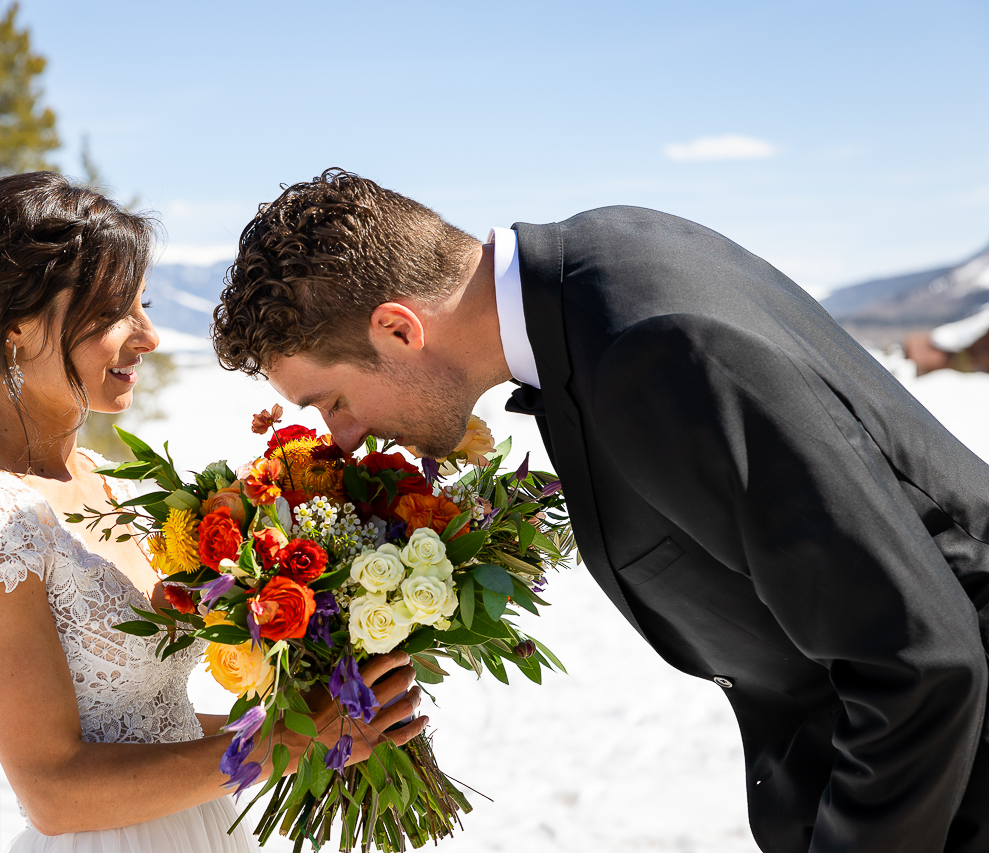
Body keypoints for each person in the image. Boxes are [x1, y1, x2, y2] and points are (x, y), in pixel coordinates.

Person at [210, 169, 989, 853]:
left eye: (333, 400)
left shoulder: (650, 346)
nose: (340, 437)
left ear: (398, 328)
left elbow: (917, 661)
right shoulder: (597, 273)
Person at [0, 171, 426, 853]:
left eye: (145, 305)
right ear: (18, 333)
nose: (149, 336)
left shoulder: (103, 482)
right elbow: (53, 789)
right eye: (115, 315)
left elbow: (146, 720)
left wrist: (319, 721)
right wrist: (281, 743)